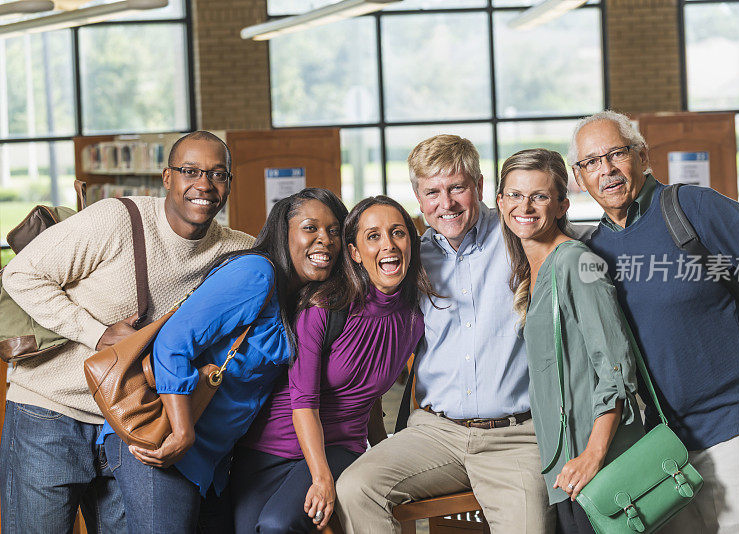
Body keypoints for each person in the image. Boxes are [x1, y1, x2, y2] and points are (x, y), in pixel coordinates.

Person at [0, 131, 253, 534]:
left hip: (130, 424)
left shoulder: (236, 252)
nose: (204, 185)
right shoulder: (117, 219)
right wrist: (95, 332)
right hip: (49, 412)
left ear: (228, 185)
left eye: (217, 174)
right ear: (167, 178)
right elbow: (21, 273)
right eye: (190, 171)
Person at [570, 110, 739, 534]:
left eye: (616, 154)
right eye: (591, 162)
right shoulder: (591, 252)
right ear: (578, 175)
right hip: (662, 445)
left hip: (736, 422)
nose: (606, 170)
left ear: (640, 155)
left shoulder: (689, 207)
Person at [336, 135, 555, 534]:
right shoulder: (410, 259)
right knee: (356, 487)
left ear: (480, 187)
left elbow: (576, 244)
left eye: (457, 188)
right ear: (418, 198)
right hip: (436, 433)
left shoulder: (518, 237)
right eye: (432, 192)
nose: (446, 203)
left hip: (515, 438)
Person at [99, 187, 348, 533]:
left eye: (334, 231)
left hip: (210, 461)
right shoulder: (257, 274)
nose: (325, 240)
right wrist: (183, 432)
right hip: (163, 439)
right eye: (310, 228)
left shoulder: (304, 301)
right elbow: (172, 342)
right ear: (284, 232)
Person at [232, 195, 434, 533]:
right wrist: (321, 478)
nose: (388, 245)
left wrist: (382, 456)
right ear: (355, 253)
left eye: (398, 233)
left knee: (276, 525)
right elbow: (304, 402)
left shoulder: (414, 318)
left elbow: (366, 396)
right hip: (268, 448)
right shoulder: (323, 307)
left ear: (412, 243)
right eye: (373, 236)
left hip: (338, 446)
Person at [497, 148, 644, 533]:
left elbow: (616, 367)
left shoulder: (578, 262)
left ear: (562, 204)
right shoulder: (531, 271)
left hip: (596, 466)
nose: (524, 206)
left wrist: (592, 456)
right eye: (514, 195)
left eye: (539, 196)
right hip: (564, 468)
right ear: (499, 202)